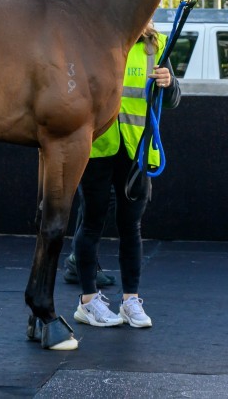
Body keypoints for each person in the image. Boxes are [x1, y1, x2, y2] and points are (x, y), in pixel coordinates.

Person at [72, 22, 181, 329]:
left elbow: (173, 99)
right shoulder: (94, 39)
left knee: (130, 226)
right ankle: (88, 301)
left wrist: (168, 83)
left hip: (137, 150)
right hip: (98, 148)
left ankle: (130, 300)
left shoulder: (155, 46)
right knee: (91, 222)